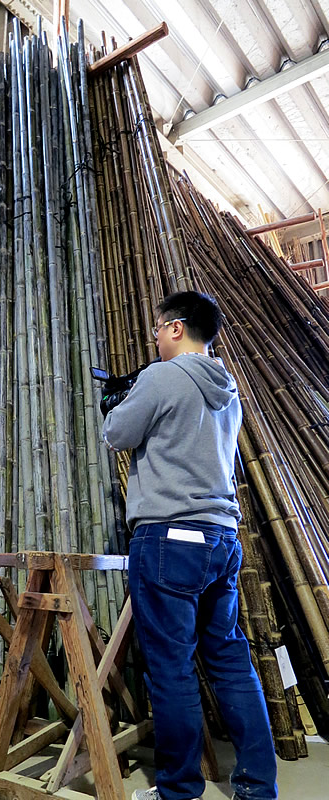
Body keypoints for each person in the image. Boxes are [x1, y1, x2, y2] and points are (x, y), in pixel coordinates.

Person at [102, 291, 278, 800]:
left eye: (158, 329)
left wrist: (121, 397)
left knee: (172, 667)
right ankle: (257, 787)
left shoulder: (161, 376)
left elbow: (117, 432)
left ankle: (178, 791)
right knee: (229, 659)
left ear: (176, 328)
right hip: (222, 539)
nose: (154, 338)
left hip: (169, 540)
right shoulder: (228, 388)